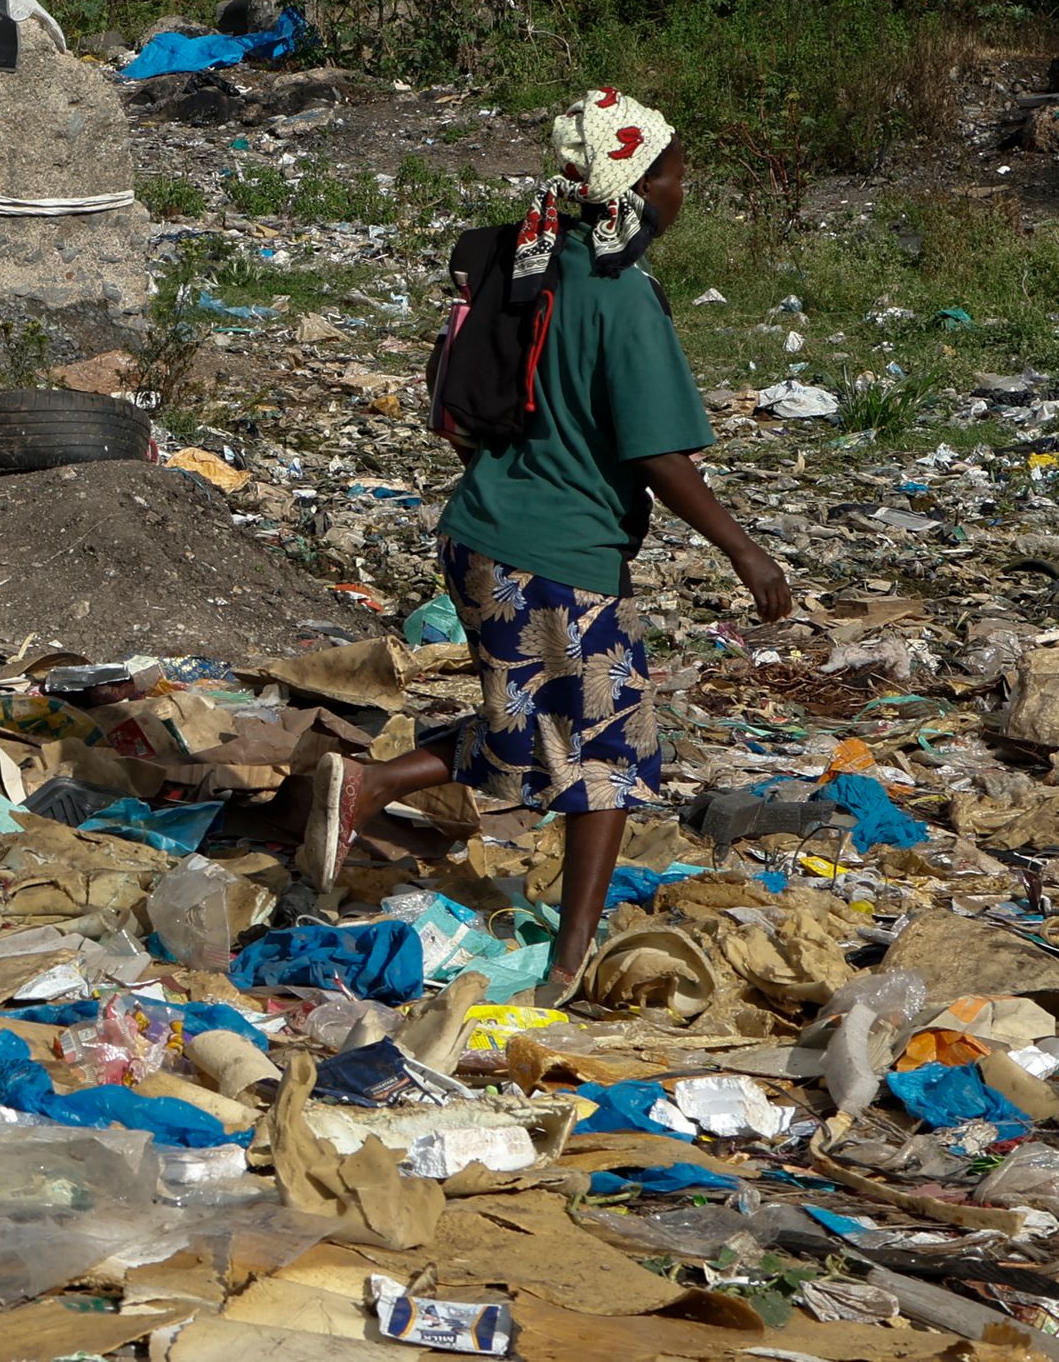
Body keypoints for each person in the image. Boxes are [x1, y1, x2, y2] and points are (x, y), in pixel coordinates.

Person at [303, 92, 789, 1002]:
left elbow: (454, 384)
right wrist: (745, 550)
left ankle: (364, 788)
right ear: (634, 187)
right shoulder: (622, 295)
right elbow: (655, 452)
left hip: (481, 538)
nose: (686, 189)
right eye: (676, 173)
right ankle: (571, 959)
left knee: (528, 719)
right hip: (559, 560)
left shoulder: (527, 260)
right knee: (606, 757)